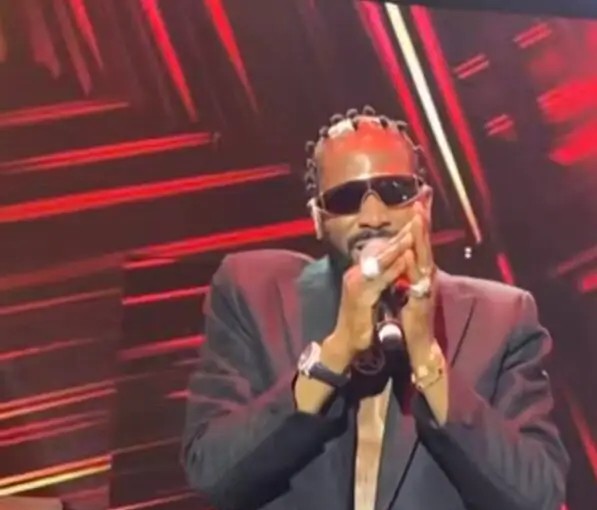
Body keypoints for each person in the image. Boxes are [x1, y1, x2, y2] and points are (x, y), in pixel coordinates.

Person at [181, 106, 569, 510]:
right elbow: (213, 473)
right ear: (318, 218)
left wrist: (428, 360)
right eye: (346, 199)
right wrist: (333, 356)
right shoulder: (253, 293)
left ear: (424, 203)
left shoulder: (501, 317)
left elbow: (535, 496)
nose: (373, 217)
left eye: (395, 192)